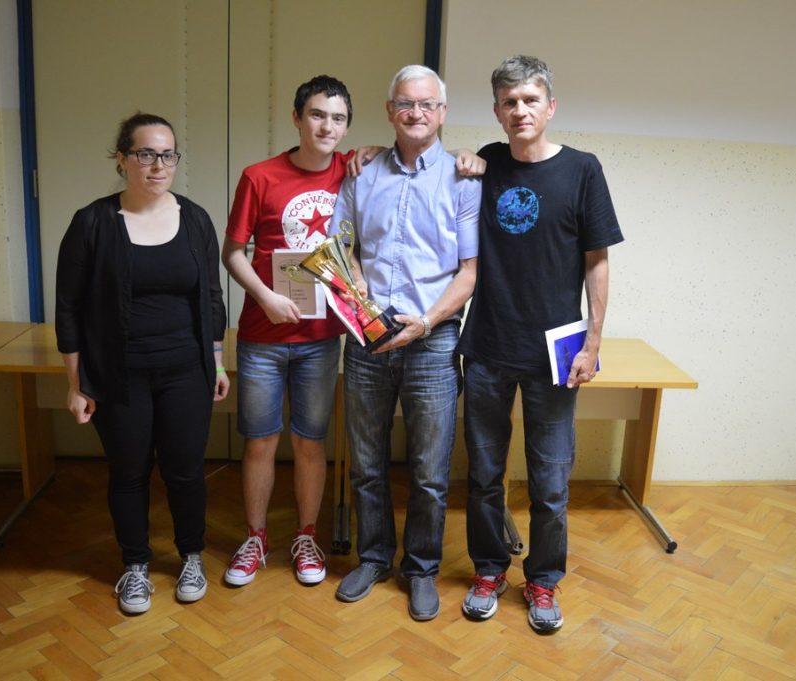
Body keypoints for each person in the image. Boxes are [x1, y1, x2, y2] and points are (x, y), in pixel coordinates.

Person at [458, 56, 624, 633]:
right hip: (487, 346)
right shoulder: (487, 163)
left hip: (556, 353)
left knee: (550, 482)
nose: (520, 110)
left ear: (550, 107)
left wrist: (593, 342)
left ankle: (544, 580)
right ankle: (489, 570)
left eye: (530, 100)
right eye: (509, 102)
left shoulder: (582, 170)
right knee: (484, 475)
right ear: (497, 111)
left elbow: (597, 261)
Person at [56, 113, 229, 615]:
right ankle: (135, 565)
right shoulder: (92, 222)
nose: (158, 165)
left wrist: (217, 363)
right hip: (119, 375)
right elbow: (68, 307)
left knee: (186, 471)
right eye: (146, 154)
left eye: (168, 154)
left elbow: (211, 298)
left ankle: (191, 556)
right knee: (128, 471)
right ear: (122, 159)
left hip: (186, 371)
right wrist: (76, 383)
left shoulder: (195, 219)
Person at [330, 65, 481, 621]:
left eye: (426, 104)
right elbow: (340, 246)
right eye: (405, 103)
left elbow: (470, 271)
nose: (416, 113)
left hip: (432, 341)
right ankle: (373, 558)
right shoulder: (362, 172)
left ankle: (420, 568)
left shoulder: (465, 179)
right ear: (390, 110)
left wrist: (428, 322)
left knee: (430, 472)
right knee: (366, 464)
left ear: (442, 113)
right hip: (368, 338)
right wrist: (359, 289)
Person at [220, 75, 356, 587]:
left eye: (338, 118)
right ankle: (255, 538)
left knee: (310, 442)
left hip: (321, 339)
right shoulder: (259, 176)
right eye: (317, 115)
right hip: (262, 338)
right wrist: (265, 296)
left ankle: (306, 536)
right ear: (297, 118)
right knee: (260, 442)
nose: (327, 126)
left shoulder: (353, 170)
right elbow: (233, 253)